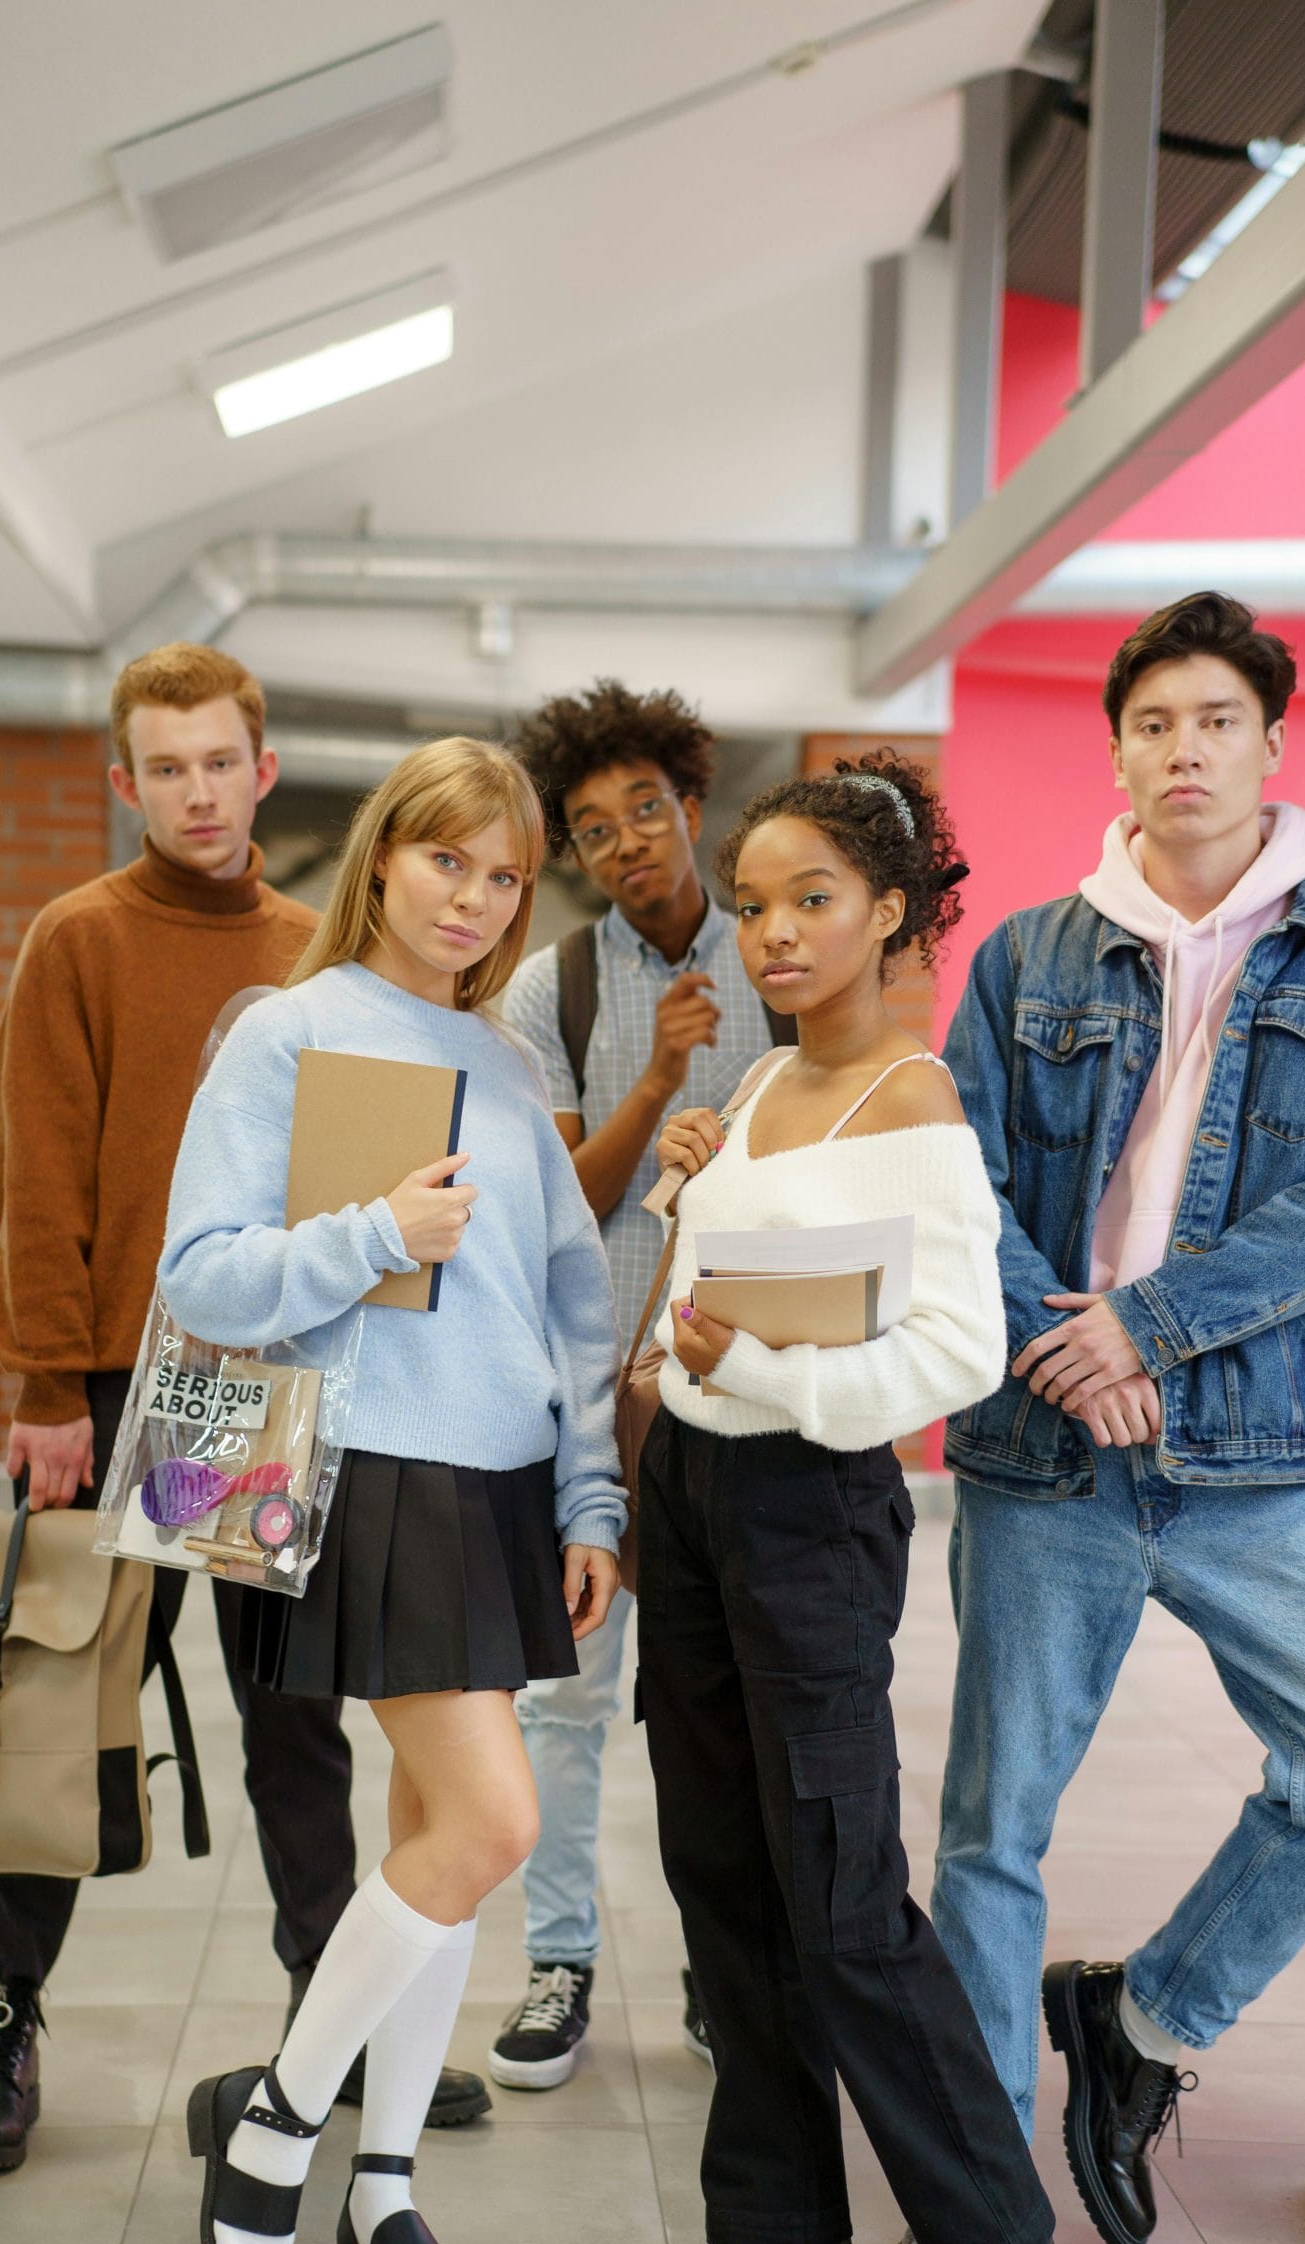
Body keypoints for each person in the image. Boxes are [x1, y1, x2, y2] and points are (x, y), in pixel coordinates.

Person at [0, 643, 489, 2177]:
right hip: (116, 1387)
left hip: (259, 1388)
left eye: (218, 760)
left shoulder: (325, 952)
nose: (194, 789)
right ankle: (3, 2024)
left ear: (262, 769)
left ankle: (328, 2023)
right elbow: (37, 1173)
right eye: (163, 765)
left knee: (295, 1725)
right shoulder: (77, 940)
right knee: (58, 1705)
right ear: (128, 782)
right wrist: (46, 1386)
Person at [934, 591, 1305, 2244]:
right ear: (1123, 753)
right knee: (995, 1828)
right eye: (1153, 724)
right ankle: (984, 2198)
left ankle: (1141, 2025)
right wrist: (1065, 1349)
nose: (1185, 750)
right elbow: (965, 1183)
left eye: (1215, 719)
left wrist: (1149, 1324)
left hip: (1247, 1454)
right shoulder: (1026, 956)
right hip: (1044, 1455)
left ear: (1272, 742)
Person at [159, 736, 624, 2244]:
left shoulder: (505, 1063)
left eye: (504, 876)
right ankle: (278, 2132)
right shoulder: (286, 1034)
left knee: (437, 1848)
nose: (476, 900)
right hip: (368, 1467)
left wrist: (588, 1495)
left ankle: (385, 2195)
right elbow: (203, 1278)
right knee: (488, 1825)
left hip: (497, 1484)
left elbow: (569, 1308)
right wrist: (376, 1237)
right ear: (383, 855)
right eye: (450, 862)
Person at [632, 754, 1078, 2244]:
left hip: (809, 1511)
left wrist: (769, 1372)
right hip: (691, 1499)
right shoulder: (753, 1092)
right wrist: (694, 1198)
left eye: (811, 901)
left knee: (840, 1900)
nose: (772, 934)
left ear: (890, 914)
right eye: (753, 905)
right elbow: (710, 1294)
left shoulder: (914, 1103)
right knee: (724, 1882)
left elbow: (961, 1354)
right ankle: (785, 2243)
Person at [497, 680, 784, 2087]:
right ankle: (559, 1961)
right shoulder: (550, 986)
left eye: (646, 813)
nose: (625, 845)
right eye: (593, 829)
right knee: (563, 1695)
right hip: (582, 1394)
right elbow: (563, 1203)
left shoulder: (783, 961)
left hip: (733, 1387)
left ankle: (716, 1970)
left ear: (692, 806)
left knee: (703, 1698)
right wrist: (660, 1073)